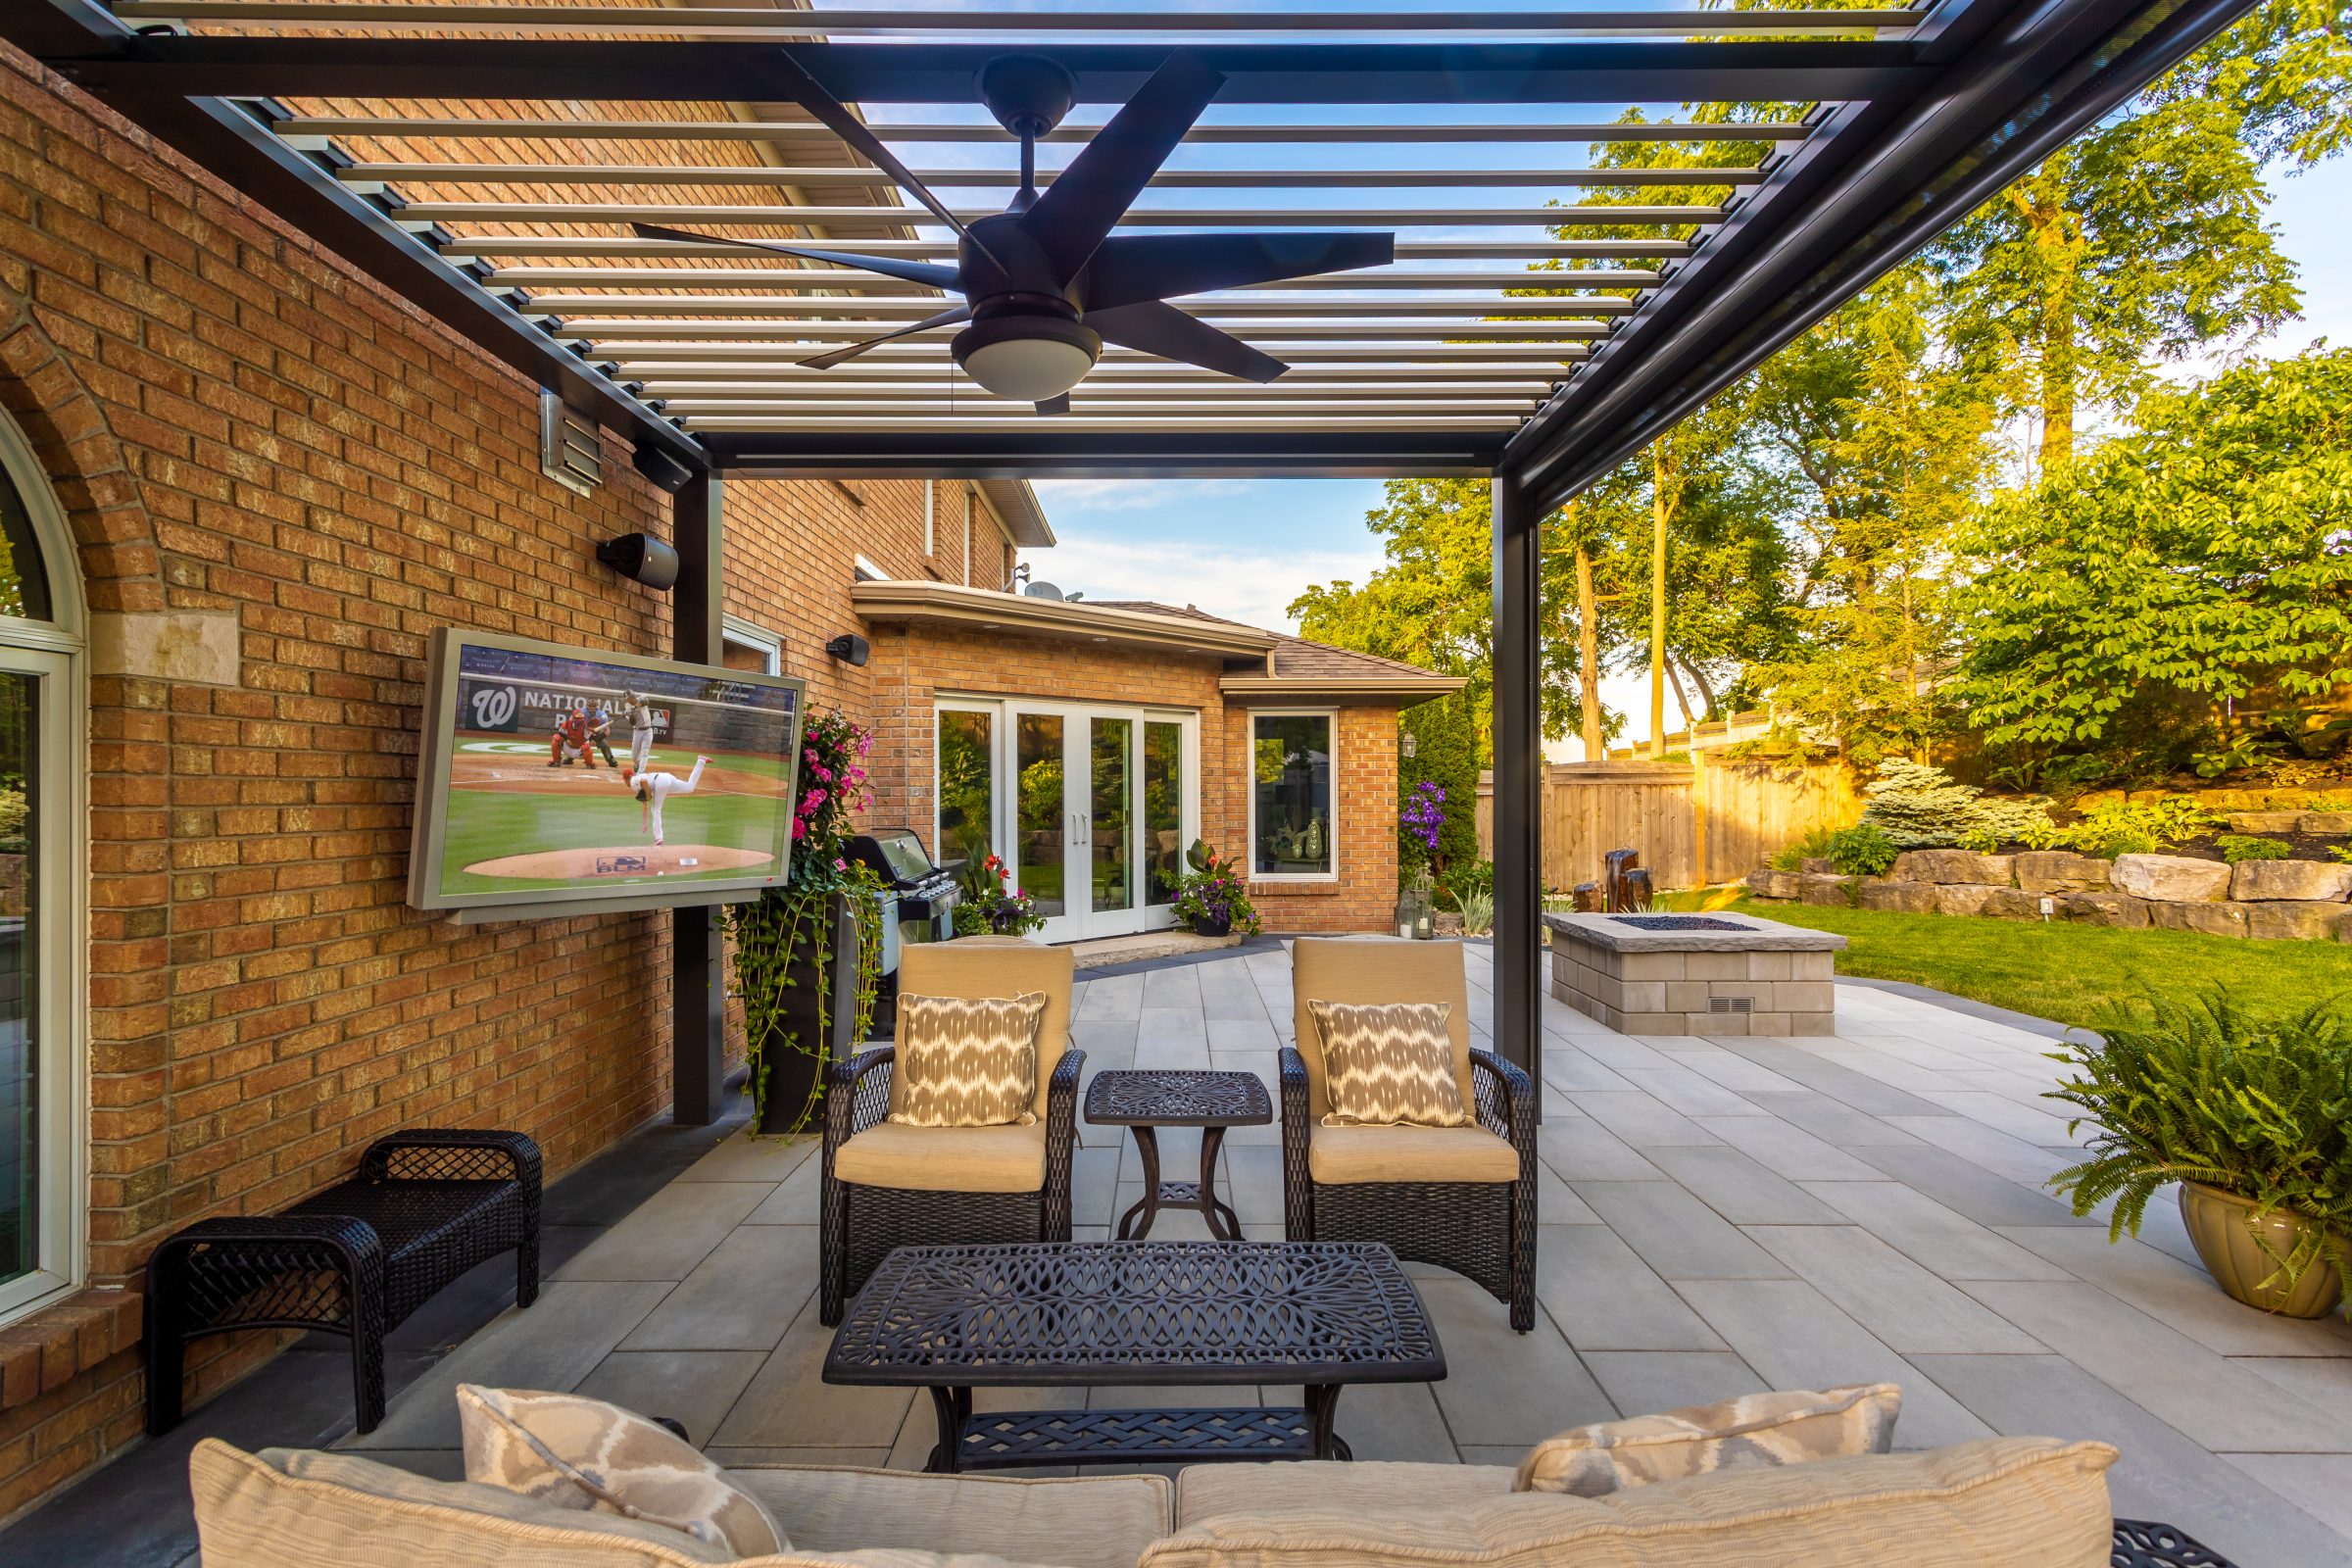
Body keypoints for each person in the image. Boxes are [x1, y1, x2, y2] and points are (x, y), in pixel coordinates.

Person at [623, 756, 707, 847]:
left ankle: (658, 839)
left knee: (656, 810)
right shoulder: (637, 780)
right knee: (689, 788)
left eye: (624, 780)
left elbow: (643, 782)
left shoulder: (633, 782)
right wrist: (644, 824)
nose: (625, 782)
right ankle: (701, 761)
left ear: (628, 778)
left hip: (660, 782)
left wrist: (648, 795)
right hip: (666, 777)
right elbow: (645, 803)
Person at [624, 690, 660, 771]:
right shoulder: (628, 708)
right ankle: (638, 765)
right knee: (634, 758)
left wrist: (636, 706)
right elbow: (632, 722)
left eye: (630, 697)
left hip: (648, 731)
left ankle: (640, 772)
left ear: (633, 696)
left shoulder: (641, 697)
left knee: (645, 752)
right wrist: (630, 714)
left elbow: (646, 700)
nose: (629, 699)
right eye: (627, 698)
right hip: (637, 732)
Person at [586, 704, 617, 768]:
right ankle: (569, 758)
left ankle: (611, 760)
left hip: (595, 734)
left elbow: (607, 732)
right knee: (578, 743)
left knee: (604, 745)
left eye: (594, 706)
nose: (592, 708)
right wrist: (588, 739)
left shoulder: (602, 716)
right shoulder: (582, 714)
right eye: (590, 706)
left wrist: (598, 739)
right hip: (584, 734)